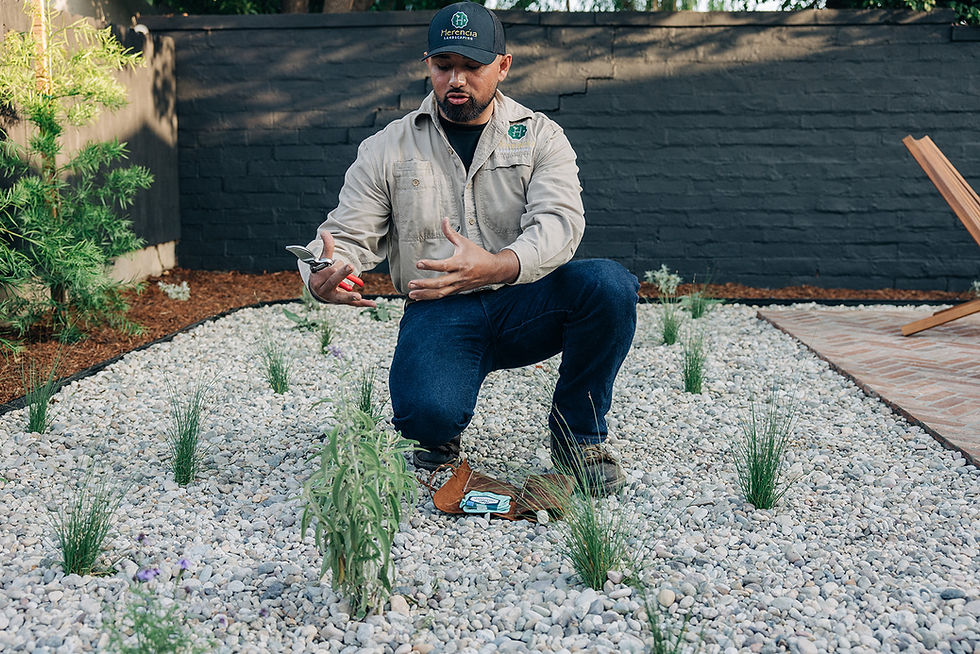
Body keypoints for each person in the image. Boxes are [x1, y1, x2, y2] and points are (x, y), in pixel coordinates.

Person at [298, 2, 638, 496]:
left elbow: (560, 224)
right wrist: (323, 272)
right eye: (444, 65)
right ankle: (439, 433)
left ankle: (579, 438)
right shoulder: (386, 147)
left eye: (472, 66)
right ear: (429, 65)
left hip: (527, 300)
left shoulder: (540, 136)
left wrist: (497, 265)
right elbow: (347, 234)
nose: (456, 79)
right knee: (425, 418)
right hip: (439, 308)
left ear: (503, 65)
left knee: (609, 286)